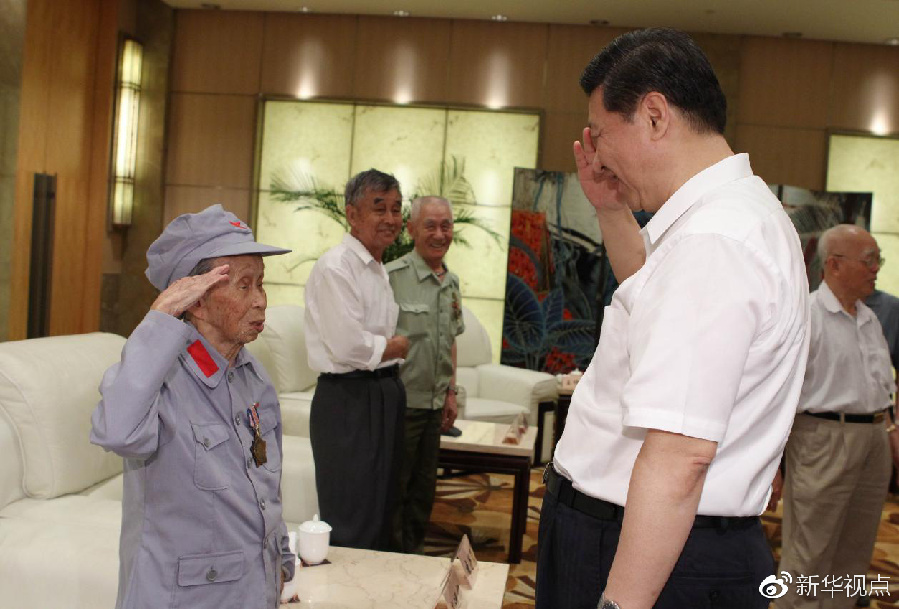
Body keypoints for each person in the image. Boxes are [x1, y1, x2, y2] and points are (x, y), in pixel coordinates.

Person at [537, 28, 810, 609]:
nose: (598, 154)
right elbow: (653, 305)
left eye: (602, 133)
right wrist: (611, 211)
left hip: (652, 554)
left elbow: (681, 457)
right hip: (663, 540)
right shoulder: (730, 217)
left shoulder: (714, 241)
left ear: (655, 116)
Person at [90, 204, 294, 609]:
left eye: (261, 283)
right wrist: (160, 318)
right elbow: (117, 432)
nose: (260, 301)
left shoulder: (253, 375)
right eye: (243, 286)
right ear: (197, 302)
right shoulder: (157, 375)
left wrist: (281, 561)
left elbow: (266, 484)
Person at [775, 225, 897, 609]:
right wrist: (773, 462)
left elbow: (881, 386)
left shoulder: (869, 319)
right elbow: (780, 392)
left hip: (873, 438)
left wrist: (891, 429)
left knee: (855, 547)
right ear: (834, 265)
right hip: (823, 437)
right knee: (811, 546)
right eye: (869, 260)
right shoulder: (807, 315)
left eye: (878, 260)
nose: (876, 268)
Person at [304, 168, 410, 550]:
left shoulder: (377, 267)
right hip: (347, 400)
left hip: (382, 392)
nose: (390, 219)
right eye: (379, 208)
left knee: (383, 508)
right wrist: (394, 347)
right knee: (351, 514)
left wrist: (387, 352)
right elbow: (348, 347)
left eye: (396, 209)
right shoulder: (337, 266)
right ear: (352, 214)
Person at [387, 196, 465, 554]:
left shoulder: (452, 283)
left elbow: (450, 341)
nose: (439, 234)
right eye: (430, 225)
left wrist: (450, 393)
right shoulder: (392, 278)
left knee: (424, 491)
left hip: (435, 406)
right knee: (395, 491)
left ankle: (414, 557)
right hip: (401, 405)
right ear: (411, 229)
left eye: (445, 226)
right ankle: (392, 563)